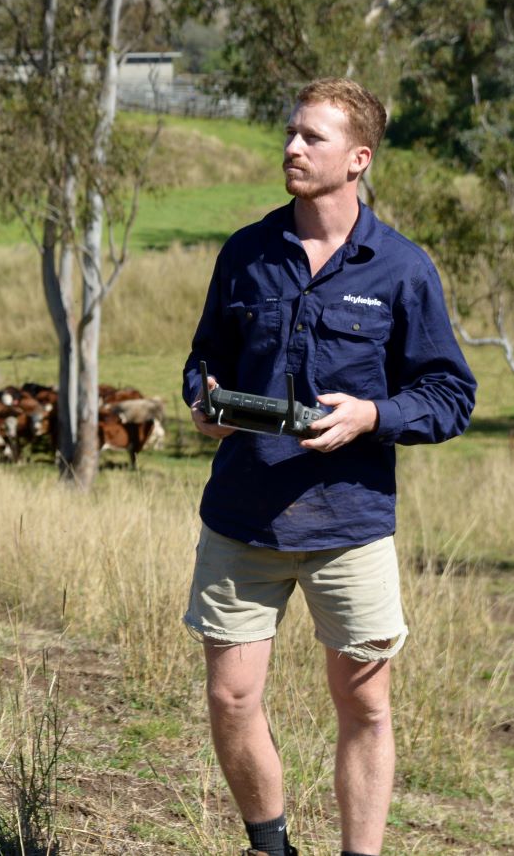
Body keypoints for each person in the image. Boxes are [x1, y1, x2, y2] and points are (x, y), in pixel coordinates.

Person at [181, 78, 475, 856]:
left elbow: (451, 395)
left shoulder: (402, 268)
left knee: (364, 704)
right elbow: (204, 357)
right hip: (242, 516)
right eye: (291, 132)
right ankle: (270, 846)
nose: (292, 147)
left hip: (350, 523)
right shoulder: (246, 253)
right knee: (231, 697)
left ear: (358, 159)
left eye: (312, 136)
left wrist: (371, 415)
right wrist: (204, 399)